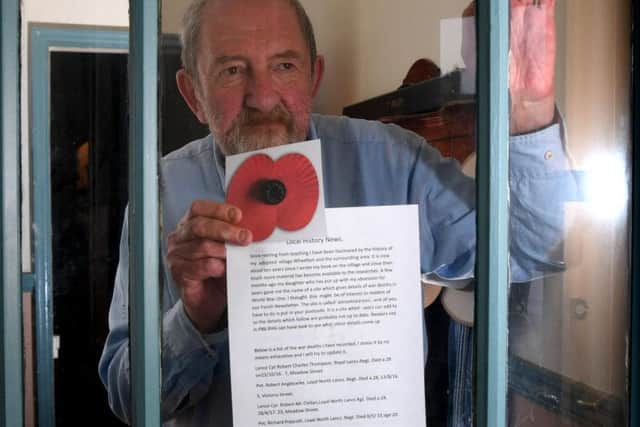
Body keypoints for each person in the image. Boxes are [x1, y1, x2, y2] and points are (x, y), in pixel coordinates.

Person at [99, 0, 572, 425]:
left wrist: (529, 112)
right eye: (231, 70)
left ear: (314, 76)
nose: (262, 97)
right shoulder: (160, 196)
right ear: (193, 94)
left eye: (284, 65)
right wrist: (195, 316)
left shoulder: (393, 162)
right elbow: (129, 399)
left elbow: (527, 247)